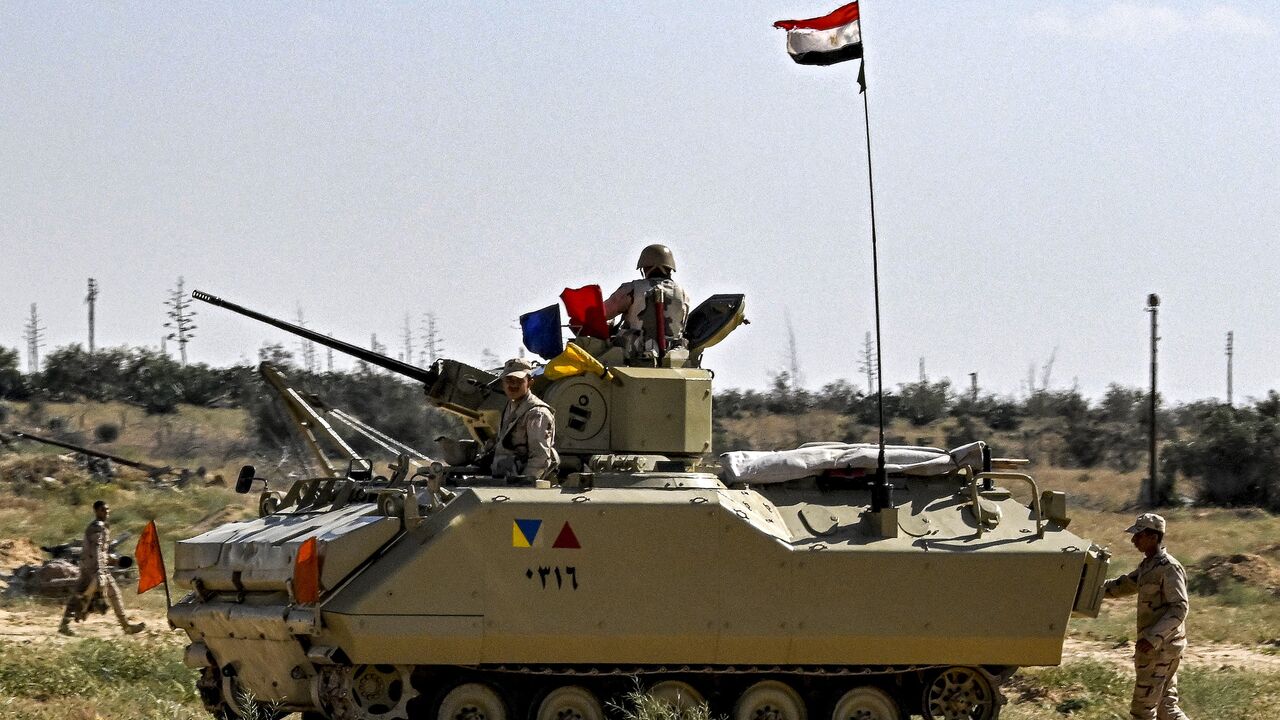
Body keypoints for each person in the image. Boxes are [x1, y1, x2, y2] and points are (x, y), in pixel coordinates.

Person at [1103, 513, 1190, 720]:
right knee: (1166, 708)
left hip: (1160, 649)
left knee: (1143, 710)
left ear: (1153, 537)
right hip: (1159, 648)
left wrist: (1153, 638)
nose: (1133, 540)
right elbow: (1122, 585)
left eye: (1138, 535)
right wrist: (1084, 589)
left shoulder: (1169, 567)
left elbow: (1179, 607)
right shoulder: (1147, 566)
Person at [59, 500, 145, 636]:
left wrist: (114, 560)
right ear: (96, 511)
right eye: (103, 510)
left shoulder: (102, 527)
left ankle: (126, 627)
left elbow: (102, 551)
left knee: (114, 594)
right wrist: (99, 569)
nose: (106, 512)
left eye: (108, 510)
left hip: (99, 568)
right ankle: (65, 625)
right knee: (79, 595)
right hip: (92, 569)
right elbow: (96, 549)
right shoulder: (97, 527)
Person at [602, 244, 691, 358]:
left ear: (645, 268)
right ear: (670, 268)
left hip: (632, 354)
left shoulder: (632, 289)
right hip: (671, 357)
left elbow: (602, 314)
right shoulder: (682, 294)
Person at [491, 358, 559, 483]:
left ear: (530, 382)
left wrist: (524, 484)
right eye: (509, 380)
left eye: (519, 380)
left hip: (521, 483)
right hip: (505, 480)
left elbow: (540, 457)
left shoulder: (537, 413)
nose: (513, 384)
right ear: (502, 383)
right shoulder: (510, 406)